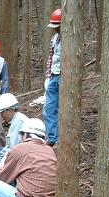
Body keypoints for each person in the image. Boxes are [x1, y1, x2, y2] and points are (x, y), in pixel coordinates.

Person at [43, 8, 62, 146]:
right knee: (49, 108)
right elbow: (51, 57)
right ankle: (52, 138)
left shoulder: (72, 38)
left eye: (58, 27)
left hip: (66, 76)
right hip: (54, 76)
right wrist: (48, 76)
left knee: (64, 108)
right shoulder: (54, 39)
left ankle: (63, 136)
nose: (56, 30)